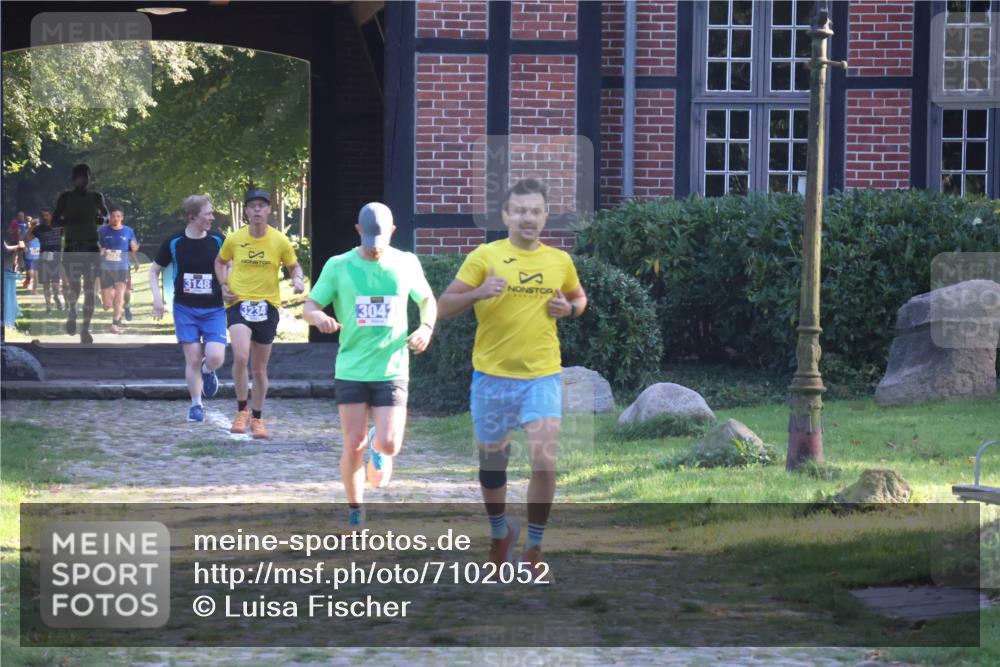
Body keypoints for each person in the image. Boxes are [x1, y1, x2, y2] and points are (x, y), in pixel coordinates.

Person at [437, 178, 588, 575]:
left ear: (545, 217)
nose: (528, 218)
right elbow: (442, 306)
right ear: (505, 215)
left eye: (536, 211)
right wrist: (478, 292)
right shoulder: (484, 256)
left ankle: (534, 548)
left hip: (542, 376)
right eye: (520, 210)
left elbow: (579, 297)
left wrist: (569, 310)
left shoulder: (560, 261)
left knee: (544, 459)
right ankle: (500, 532)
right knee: (493, 466)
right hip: (492, 378)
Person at [303, 203, 436, 530]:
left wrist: (425, 328)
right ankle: (355, 507)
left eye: (381, 238)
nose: (375, 246)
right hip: (351, 367)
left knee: (390, 444)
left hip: (392, 367)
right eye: (369, 238)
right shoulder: (338, 266)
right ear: (358, 231)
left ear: (392, 232)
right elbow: (310, 305)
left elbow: (427, 300)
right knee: (353, 443)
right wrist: (318, 317)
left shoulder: (406, 263)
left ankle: (380, 445)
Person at [215, 189, 305, 439]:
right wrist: (223, 285)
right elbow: (220, 262)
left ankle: (258, 416)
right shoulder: (235, 239)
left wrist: (298, 278)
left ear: (268, 211)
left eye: (261, 206)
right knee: (241, 356)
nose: (256, 210)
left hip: (267, 306)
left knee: (259, 369)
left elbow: (293, 265)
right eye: (252, 206)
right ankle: (242, 410)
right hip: (239, 303)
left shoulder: (279, 240)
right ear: (246, 211)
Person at [151, 195, 227, 422]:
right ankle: (196, 405)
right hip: (185, 308)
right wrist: (158, 298)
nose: (212, 218)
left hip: (214, 308)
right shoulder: (174, 242)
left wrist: (226, 285)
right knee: (192, 358)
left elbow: (229, 264)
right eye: (208, 214)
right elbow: (153, 271)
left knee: (215, 357)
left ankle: (208, 370)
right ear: (192, 217)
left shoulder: (217, 240)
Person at [53, 163, 109, 344]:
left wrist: (102, 218)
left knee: (90, 289)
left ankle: (85, 329)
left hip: (91, 247)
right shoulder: (65, 197)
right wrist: (68, 220)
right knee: (75, 287)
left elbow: (107, 215)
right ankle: (72, 311)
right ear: (74, 179)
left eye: (86, 176)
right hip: (72, 247)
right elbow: (54, 221)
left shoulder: (96, 197)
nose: (83, 180)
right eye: (80, 177)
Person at [98, 207, 139, 334]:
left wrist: (135, 254)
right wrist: (100, 251)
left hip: (122, 267)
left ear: (122, 218)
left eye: (118, 216)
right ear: (110, 217)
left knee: (120, 295)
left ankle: (115, 323)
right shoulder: (103, 231)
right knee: (106, 305)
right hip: (106, 268)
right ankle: (119, 306)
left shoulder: (128, 231)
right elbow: (96, 246)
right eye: (113, 216)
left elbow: (133, 248)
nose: (115, 218)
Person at [25, 208, 66, 313]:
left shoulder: (58, 226)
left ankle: (56, 297)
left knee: (56, 285)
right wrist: (32, 227)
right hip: (44, 259)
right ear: (40, 217)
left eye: (47, 215)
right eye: (42, 216)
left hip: (56, 258)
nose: (45, 217)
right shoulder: (38, 229)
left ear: (50, 216)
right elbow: (27, 239)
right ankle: (48, 306)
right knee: (46, 284)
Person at [22, 218, 40, 293]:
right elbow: (21, 241)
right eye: (34, 226)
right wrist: (24, 247)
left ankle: (33, 289)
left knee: (35, 275)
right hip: (28, 257)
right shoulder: (26, 232)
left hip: (37, 257)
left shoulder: (41, 233)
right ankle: (28, 282)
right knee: (32, 274)